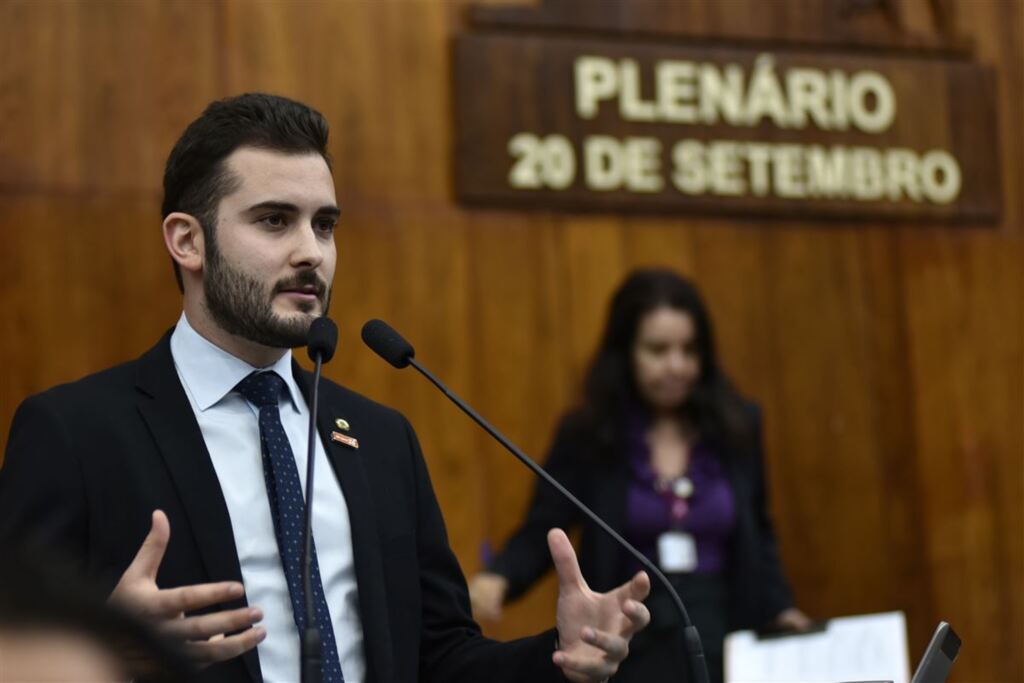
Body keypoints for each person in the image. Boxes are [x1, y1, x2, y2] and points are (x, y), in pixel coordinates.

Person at [0, 93, 651, 683]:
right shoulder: (74, 434)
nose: (311, 251)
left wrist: (560, 653)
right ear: (187, 240)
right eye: (275, 221)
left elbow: (441, 654)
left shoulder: (380, 438)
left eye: (325, 224)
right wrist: (104, 650)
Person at [469, 268, 811, 683]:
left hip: (727, 636)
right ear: (626, 352)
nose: (677, 365)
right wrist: (500, 576)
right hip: (630, 639)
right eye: (658, 349)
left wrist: (782, 608)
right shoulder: (588, 434)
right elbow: (546, 526)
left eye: (689, 350)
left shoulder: (737, 426)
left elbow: (759, 532)